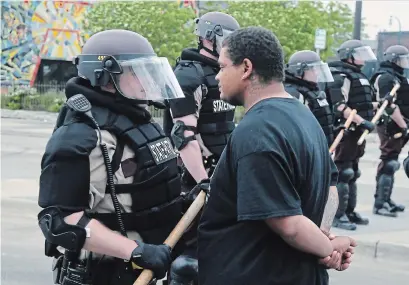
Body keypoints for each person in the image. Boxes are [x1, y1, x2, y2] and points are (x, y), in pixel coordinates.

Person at [197, 26, 356, 285]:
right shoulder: (305, 117)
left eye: (222, 67)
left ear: (246, 68)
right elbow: (331, 188)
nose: (217, 77)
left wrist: (330, 249)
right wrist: (323, 236)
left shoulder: (257, 131)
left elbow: (288, 224)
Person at [36, 29, 193, 285]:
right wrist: (134, 251)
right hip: (101, 274)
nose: (145, 81)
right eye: (137, 72)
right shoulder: (80, 137)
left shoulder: (138, 122)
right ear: (105, 77)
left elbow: (141, 190)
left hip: (144, 270)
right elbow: (61, 219)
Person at [163, 11, 240, 285]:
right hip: (194, 181)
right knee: (189, 262)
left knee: (218, 253)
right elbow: (183, 136)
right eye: (228, 39)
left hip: (220, 174)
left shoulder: (222, 73)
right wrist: (203, 182)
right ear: (210, 37)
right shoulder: (189, 74)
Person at [324, 39, 377, 230]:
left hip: (357, 133)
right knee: (343, 173)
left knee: (353, 172)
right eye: (360, 53)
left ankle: (349, 211)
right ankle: (337, 216)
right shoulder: (341, 74)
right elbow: (340, 106)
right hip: (346, 130)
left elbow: (361, 102)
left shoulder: (357, 74)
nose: (364, 57)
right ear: (349, 56)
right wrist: (361, 121)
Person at [370, 44, 409, 216]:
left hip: (399, 123)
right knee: (389, 162)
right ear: (394, 59)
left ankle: (386, 199)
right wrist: (403, 125)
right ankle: (380, 203)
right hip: (390, 125)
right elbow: (387, 105)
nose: (405, 61)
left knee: (392, 161)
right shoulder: (386, 77)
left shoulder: (398, 76)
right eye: (403, 58)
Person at [284, 50, 335, 147]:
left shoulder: (311, 91)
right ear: (299, 70)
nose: (317, 73)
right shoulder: (294, 94)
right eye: (313, 69)